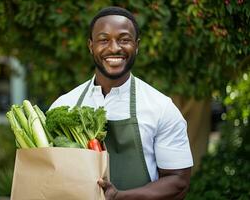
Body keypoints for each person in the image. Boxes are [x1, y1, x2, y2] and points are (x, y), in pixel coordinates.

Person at [49, 6, 193, 200]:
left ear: (137, 45)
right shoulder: (65, 104)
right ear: (91, 46)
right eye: (104, 40)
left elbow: (178, 182)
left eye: (124, 39)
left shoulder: (161, 108)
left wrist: (121, 197)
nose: (114, 48)